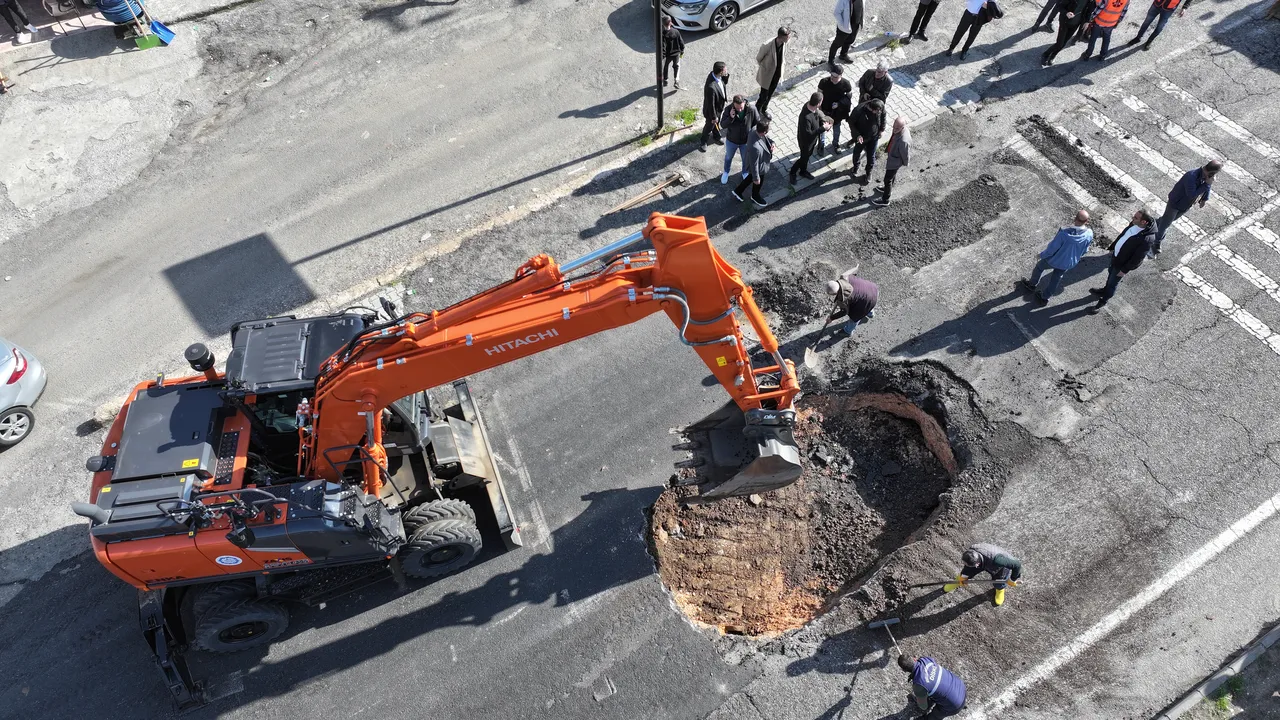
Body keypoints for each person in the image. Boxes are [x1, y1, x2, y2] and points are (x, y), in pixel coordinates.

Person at [1089, 209, 1155, 313]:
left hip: (1122, 264)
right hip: (1116, 257)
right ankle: (1104, 290)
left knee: (1113, 283)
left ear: (1144, 222)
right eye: (1134, 216)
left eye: (1136, 218)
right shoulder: (1134, 224)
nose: (1132, 218)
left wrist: (1124, 270)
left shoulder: (1147, 239)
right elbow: (1124, 236)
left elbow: (1137, 258)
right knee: (1110, 276)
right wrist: (1114, 247)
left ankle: (1103, 301)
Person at [1021, 209, 1094, 303]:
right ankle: (1045, 298)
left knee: (1039, 267)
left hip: (1055, 260)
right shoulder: (1089, 233)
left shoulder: (1064, 234)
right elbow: (1085, 250)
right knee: (1056, 278)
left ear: (1075, 218)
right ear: (1087, 222)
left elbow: (1052, 249)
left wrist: (1041, 255)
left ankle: (1031, 284)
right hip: (1069, 262)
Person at [1153, 161, 1219, 255]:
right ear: (1212, 171)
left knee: (1168, 220)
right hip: (1175, 203)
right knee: (1166, 224)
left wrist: (1204, 198)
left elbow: (1207, 186)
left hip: (1186, 205)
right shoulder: (1191, 176)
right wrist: (1207, 184)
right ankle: (1156, 241)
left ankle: (1154, 223)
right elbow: (1191, 194)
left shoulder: (1206, 176)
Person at [945, 543, 1023, 606]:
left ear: (977, 564)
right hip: (981, 560)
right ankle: (958, 581)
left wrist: (1012, 579)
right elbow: (968, 567)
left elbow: (1017, 565)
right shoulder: (971, 553)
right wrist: (963, 577)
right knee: (967, 571)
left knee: (999, 580)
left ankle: (1000, 589)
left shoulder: (999, 561)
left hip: (998, 566)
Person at [898, 654, 967, 719]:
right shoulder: (926, 660)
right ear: (914, 659)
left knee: (933, 717)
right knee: (932, 689)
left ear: (904, 670)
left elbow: (923, 707)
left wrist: (920, 699)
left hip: (954, 706)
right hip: (961, 687)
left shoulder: (919, 685)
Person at [719, 94, 760, 184]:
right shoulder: (728, 109)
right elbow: (722, 125)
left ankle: (745, 172)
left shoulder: (751, 109)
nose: (740, 110)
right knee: (729, 157)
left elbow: (757, 123)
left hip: (745, 141)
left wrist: (753, 136)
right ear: (733, 104)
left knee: (745, 158)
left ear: (744, 102)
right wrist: (730, 117)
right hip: (731, 140)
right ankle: (726, 172)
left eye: (741, 107)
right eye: (737, 108)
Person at [733, 121, 774, 208]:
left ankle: (738, 191)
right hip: (759, 165)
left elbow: (765, 138)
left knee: (749, 178)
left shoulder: (755, 129)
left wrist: (772, 143)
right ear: (763, 132)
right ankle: (755, 196)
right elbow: (754, 164)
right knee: (758, 179)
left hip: (758, 161)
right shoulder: (754, 147)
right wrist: (756, 178)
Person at [791, 93, 829, 185]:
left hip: (812, 141)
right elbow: (809, 134)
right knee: (804, 157)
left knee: (807, 156)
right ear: (818, 103)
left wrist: (823, 121)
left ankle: (803, 170)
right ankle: (793, 172)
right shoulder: (806, 117)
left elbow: (817, 115)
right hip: (806, 142)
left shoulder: (811, 107)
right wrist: (823, 129)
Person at [1040, 0, 1093, 65]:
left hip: (1075, 24)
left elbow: (1089, 12)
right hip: (1065, 22)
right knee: (1059, 43)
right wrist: (1066, 13)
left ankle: (1053, 55)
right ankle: (1046, 54)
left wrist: (1087, 21)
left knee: (1064, 42)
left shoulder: (1091, 1)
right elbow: (1059, 6)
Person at [755, 27, 792, 116]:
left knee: (770, 94)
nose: (789, 38)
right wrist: (766, 68)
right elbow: (759, 58)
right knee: (763, 96)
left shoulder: (785, 43)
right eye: (788, 36)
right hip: (767, 75)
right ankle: (756, 112)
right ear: (781, 37)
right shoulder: (767, 45)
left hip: (776, 75)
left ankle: (764, 109)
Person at [873, 117, 910, 207]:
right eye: (893, 127)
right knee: (891, 176)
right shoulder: (899, 130)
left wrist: (906, 163)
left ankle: (885, 200)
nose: (894, 130)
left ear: (902, 127)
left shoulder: (903, 140)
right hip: (893, 158)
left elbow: (905, 154)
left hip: (895, 162)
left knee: (887, 179)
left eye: (897, 128)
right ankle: (887, 189)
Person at [1127, 0, 1192, 50]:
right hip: (1156, 4)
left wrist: (1184, 7)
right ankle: (1138, 37)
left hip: (1168, 9)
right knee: (1146, 22)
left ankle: (1149, 41)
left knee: (1159, 27)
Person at [817, 64, 854, 152]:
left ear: (840, 75)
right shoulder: (824, 81)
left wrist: (839, 104)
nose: (832, 78)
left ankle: (835, 144)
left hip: (837, 113)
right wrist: (819, 109)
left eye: (835, 77)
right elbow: (819, 94)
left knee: (836, 130)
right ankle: (821, 145)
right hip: (825, 111)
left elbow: (849, 96)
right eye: (831, 75)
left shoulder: (846, 84)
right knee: (822, 129)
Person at [849, 99, 885, 183]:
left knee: (871, 155)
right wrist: (857, 135)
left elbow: (884, 116)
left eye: (879, 111)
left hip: (874, 136)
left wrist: (881, 130)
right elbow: (851, 122)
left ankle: (869, 172)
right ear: (871, 109)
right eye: (876, 112)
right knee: (857, 152)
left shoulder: (880, 106)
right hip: (861, 137)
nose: (878, 113)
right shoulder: (859, 110)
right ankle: (856, 167)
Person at [701, 62, 730, 152]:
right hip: (712, 112)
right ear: (720, 72)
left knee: (717, 123)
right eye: (725, 70)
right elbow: (711, 104)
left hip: (719, 108)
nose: (727, 71)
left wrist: (725, 76)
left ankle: (716, 135)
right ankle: (703, 141)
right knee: (709, 125)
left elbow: (724, 83)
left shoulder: (718, 76)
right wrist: (714, 117)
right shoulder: (711, 87)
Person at [830, 0, 864, 65]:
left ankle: (843, 55)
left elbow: (862, 8)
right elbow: (836, 13)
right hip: (844, 27)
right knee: (837, 44)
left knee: (850, 41)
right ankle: (831, 60)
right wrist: (842, 25)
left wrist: (861, 21)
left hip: (855, 25)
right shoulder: (844, 1)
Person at [661, 17, 685, 90]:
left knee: (665, 66)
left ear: (663, 24)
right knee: (677, 66)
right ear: (670, 22)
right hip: (676, 54)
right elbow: (681, 42)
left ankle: (665, 80)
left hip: (667, 55)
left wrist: (663, 56)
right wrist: (682, 50)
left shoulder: (663, 34)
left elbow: (663, 46)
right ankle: (676, 81)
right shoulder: (676, 31)